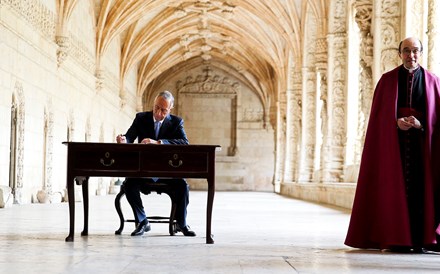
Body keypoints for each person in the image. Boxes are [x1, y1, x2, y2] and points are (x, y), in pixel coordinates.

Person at [345, 37, 440, 252]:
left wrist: (421, 123)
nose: (411, 55)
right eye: (406, 51)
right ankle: (397, 238)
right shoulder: (387, 81)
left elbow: (437, 119)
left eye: (415, 50)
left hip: (422, 150)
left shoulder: (434, 81)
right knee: (394, 193)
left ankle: (421, 239)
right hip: (394, 149)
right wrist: (395, 123)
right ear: (400, 54)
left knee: (421, 194)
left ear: (421, 53)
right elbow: (377, 120)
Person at [116, 90, 196, 237]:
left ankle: (181, 223)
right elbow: (129, 136)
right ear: (153, 104)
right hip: (144, 170)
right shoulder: (141, 118)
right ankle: (142, 221)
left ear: (170, 109)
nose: (158, 112)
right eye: (156, 107)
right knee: (129, 185)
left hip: (167, 171)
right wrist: (123, 140)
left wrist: (160, 142)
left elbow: (184, 143)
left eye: (163, 110)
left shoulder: (176, 122)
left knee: (183, 187)